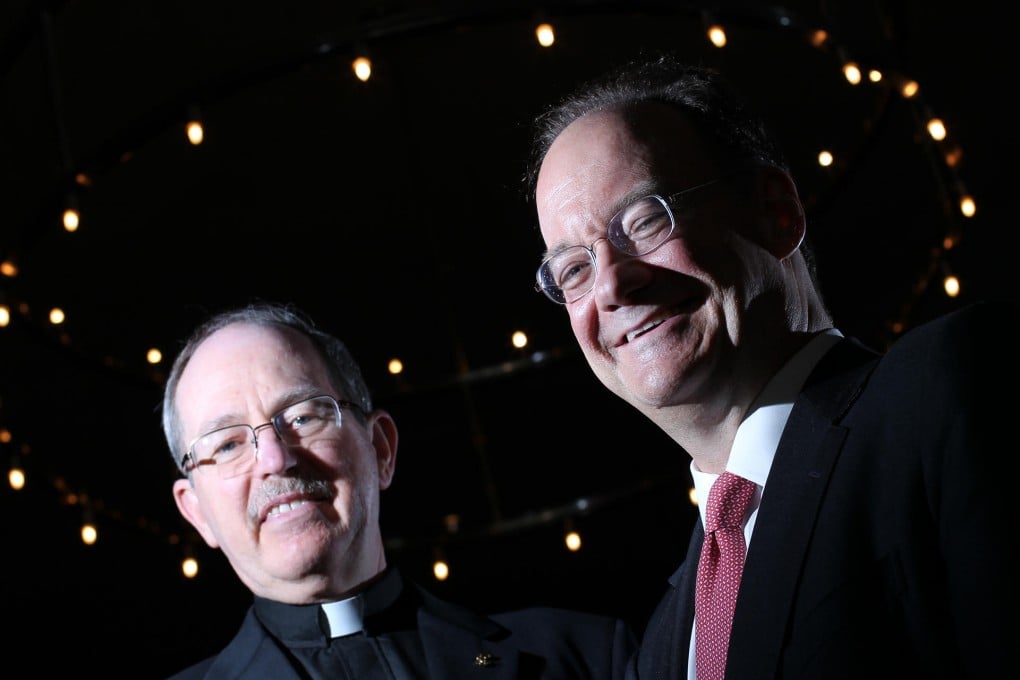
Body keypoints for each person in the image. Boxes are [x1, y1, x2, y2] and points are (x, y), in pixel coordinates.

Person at [523, 53, 1015, 679]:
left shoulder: (948, 393)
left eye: (645, 221)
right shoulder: (663, 642)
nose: (611, 285)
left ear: (775, 212)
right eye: (574, 269)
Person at [160, 301, 636, 679]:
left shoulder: (582, 657)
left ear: (381, 448)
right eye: (226, 445)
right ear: (196, 512)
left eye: (304, 416)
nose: (275, 459)